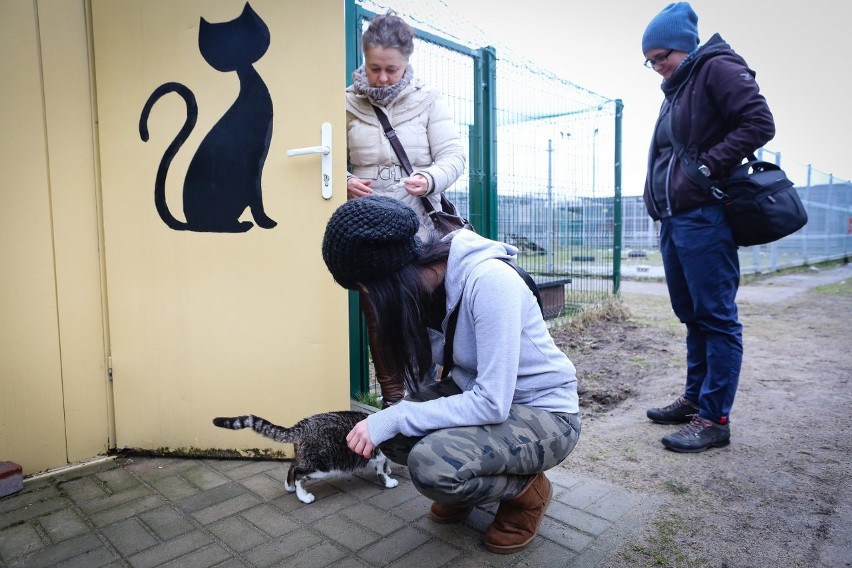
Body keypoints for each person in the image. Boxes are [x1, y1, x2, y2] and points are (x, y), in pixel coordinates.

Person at [321, 196, 580, 554]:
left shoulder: (490, 283)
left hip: (545, 413)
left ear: (390, 277)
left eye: (366, 290)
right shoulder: (426, 288)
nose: (369, 300)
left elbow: (492, 403)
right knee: (393, 435)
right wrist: (394, 415)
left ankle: (528, 494)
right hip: (478, 396)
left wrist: (403, 415)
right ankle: (469, 477)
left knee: (432, 466)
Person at [640, 2, 775, 452]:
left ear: (683, 46)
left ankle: (715, 418)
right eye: (651, 61)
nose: (658, 67)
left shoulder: (717, 67)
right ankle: (695, 398)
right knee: (692, 315)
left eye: (663, 56)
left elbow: (759, 122)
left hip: (703, 217)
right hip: (675, 219)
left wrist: (706, 167)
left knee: (716, 317)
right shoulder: (678, 88)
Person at [345, 10, 466, 407]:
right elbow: (323, 161)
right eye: (374, 68)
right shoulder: (344, 104)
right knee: (377, 311)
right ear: (364, 59)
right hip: (369, 229)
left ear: (407, 62)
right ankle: (393, 401)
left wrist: (430, 179)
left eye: (391, 69)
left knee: (425, 306)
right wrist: (344, 180)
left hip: (419, 224)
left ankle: (430, 391)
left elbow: (453, 155)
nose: (382, 77)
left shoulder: (429, 101)